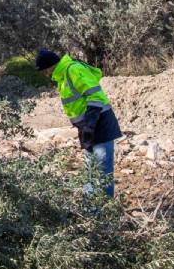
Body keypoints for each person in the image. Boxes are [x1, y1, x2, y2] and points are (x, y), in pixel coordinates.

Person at [35, 49, 123, 197]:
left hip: (100, 125)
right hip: (88, 128)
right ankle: (89, 211)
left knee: (102, 172)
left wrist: (89, 125)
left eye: (44, 71)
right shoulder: (62, 77)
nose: (45, 75)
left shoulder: (73, 70)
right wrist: (84, 128)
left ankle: (106, 216)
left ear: (50, 66)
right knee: (89, 171)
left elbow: (96, 97)